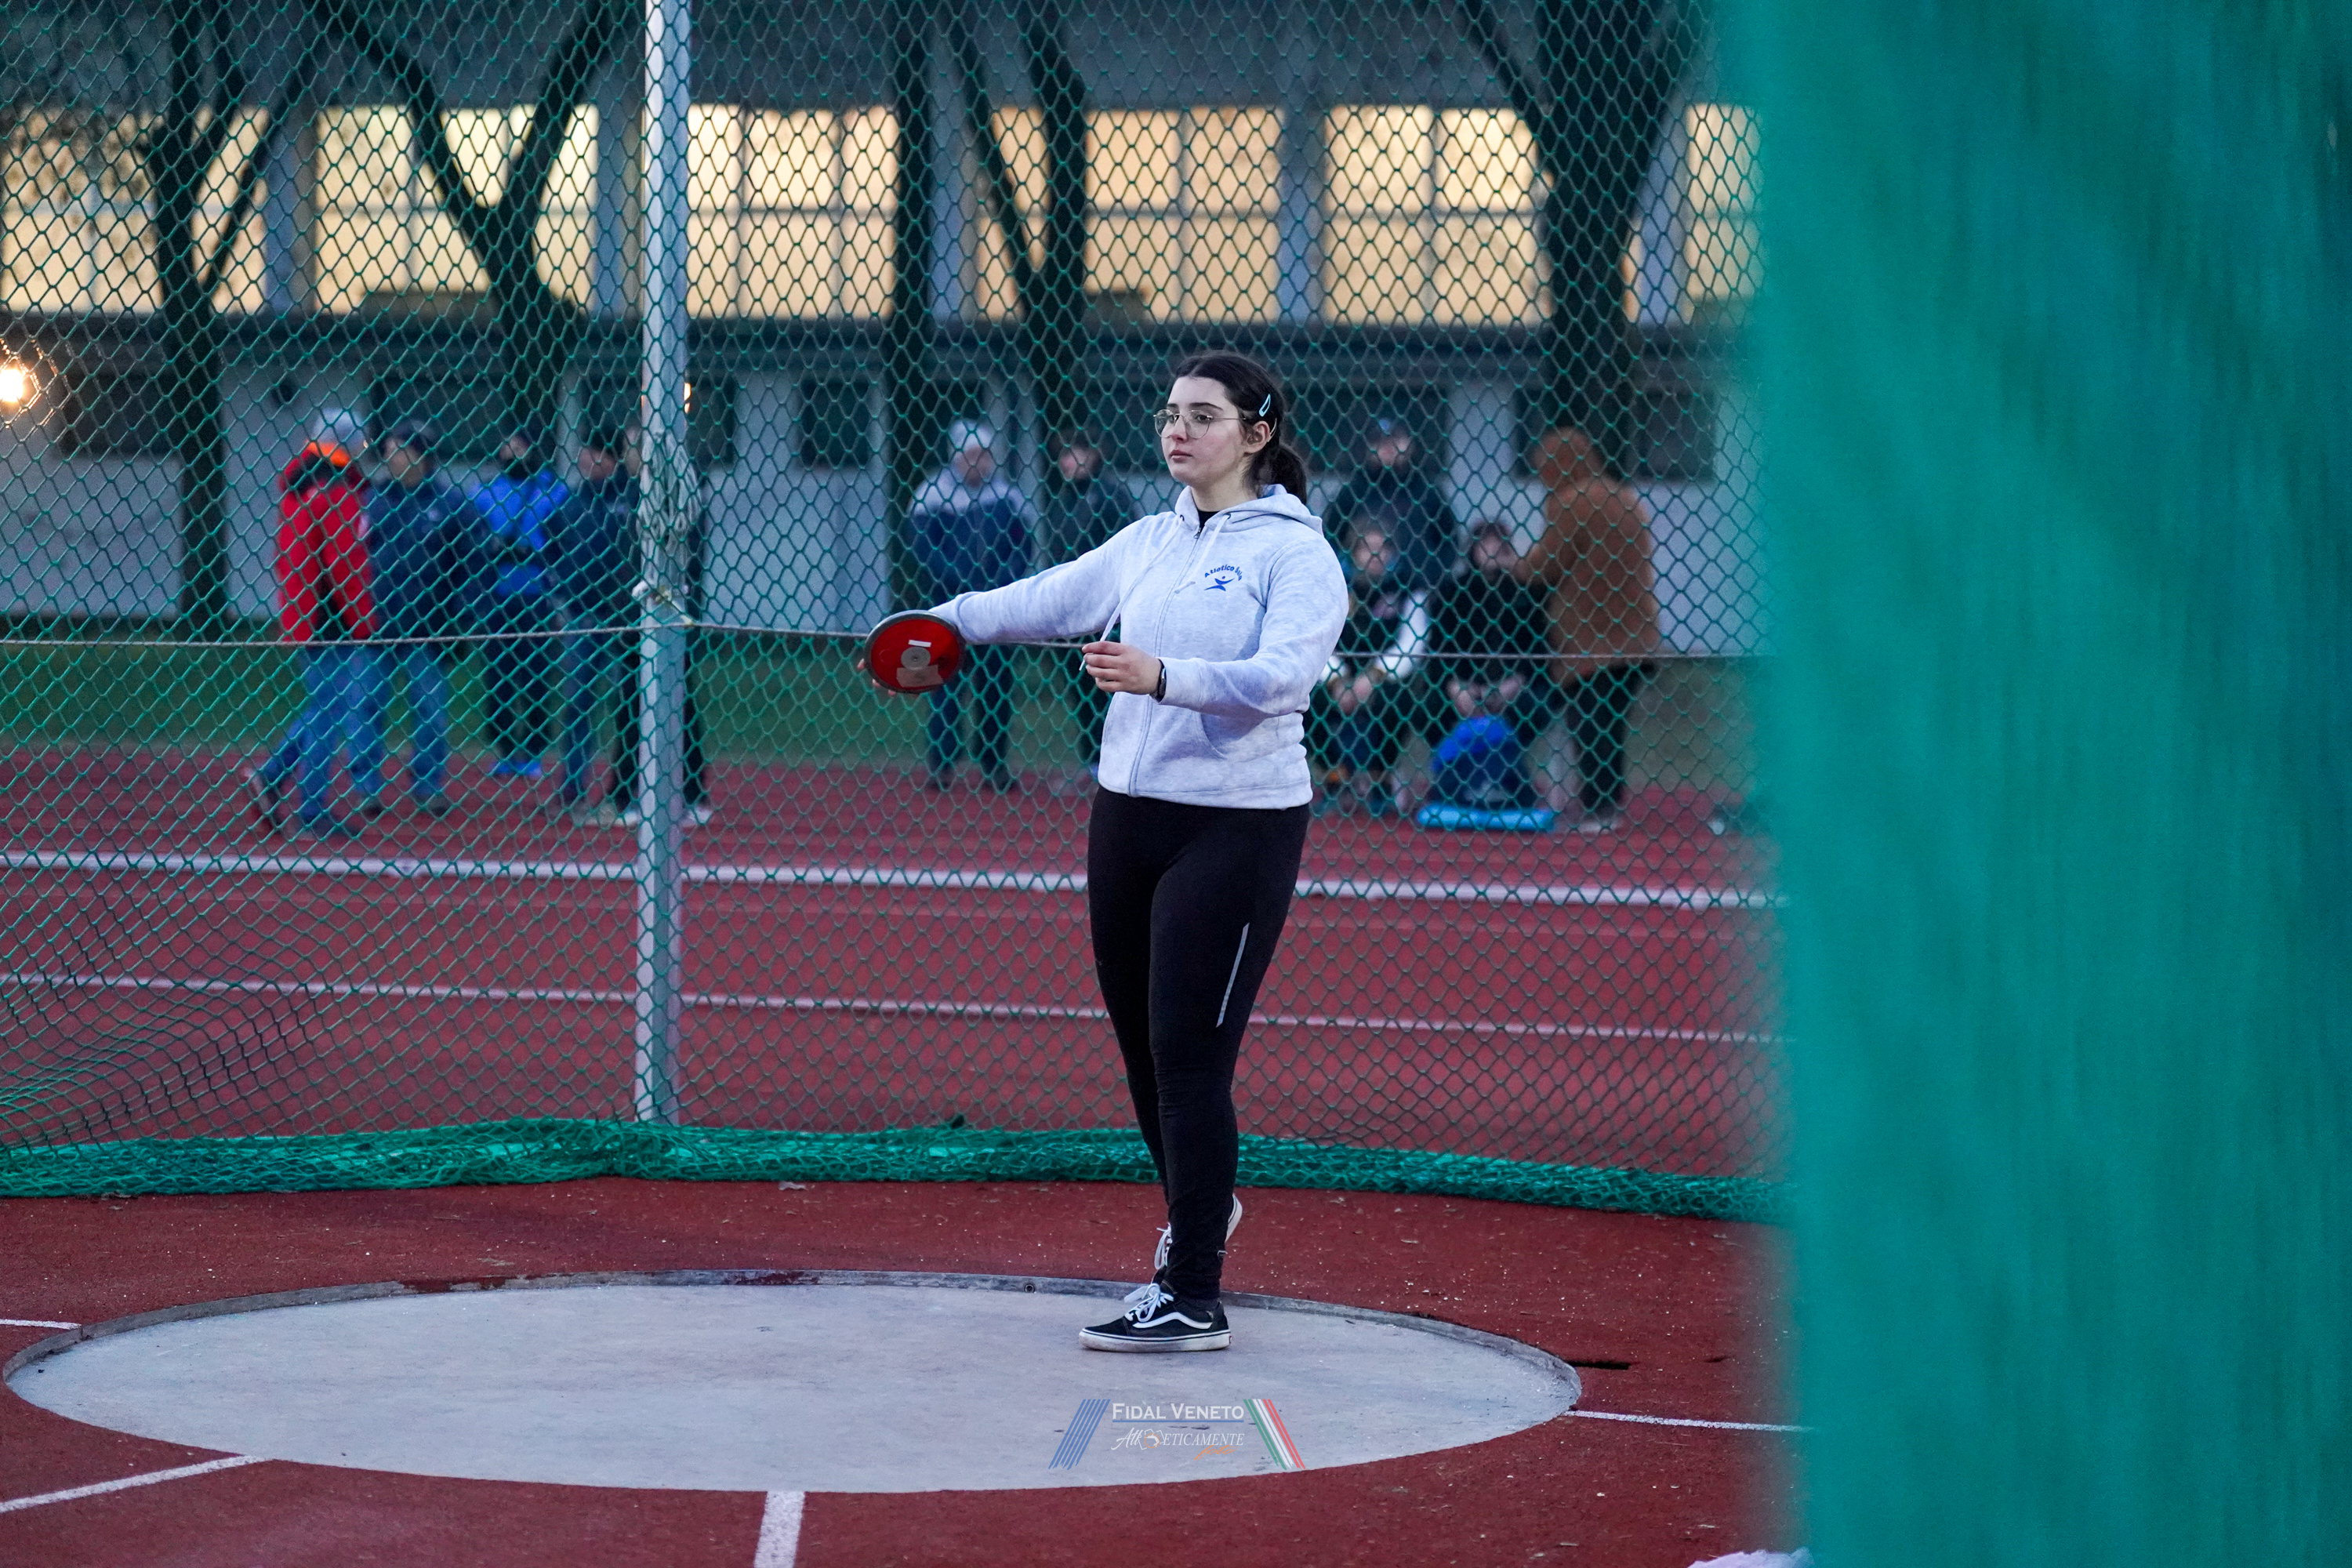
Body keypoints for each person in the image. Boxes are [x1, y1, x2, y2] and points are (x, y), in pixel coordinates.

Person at [903, 350, 1345, 1352]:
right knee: (1146, 1047)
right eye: (1170, 414)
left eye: (1204, 415)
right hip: (1128, 816)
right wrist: (943, 621)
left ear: (1258, 433)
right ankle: (1203, 1201)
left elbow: (1284, 678)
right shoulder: (1151, 538)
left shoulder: (1298, 554)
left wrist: (1163, 676)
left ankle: (1193, 1291)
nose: (1179, 430)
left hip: (1237, 822)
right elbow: (1046, 597)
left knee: (1190, 1056)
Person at [552, 430, 711, 826]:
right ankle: (632, 793)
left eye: (637, 448)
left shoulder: (674, 493)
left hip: (667, 611)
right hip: (630, 615)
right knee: (633, 703)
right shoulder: (626, 494)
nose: (629, 455)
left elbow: (686, 553)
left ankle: (675, 793)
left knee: (670, 701)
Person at [1514, 426, 1662, 829]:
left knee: (1590, 723)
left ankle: (1599, 808)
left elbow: (1547, 564)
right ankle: (1608, 805)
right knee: (1612, 722)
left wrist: (1517, 566)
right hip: (1636, 633)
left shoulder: (1571, 502)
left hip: (1591, 637)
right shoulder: (1625, 499)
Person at [245, 409, 379, 840]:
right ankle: (310, 807)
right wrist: (364, 621)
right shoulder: (336, 490)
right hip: (330, 615)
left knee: (324, 703)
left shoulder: (301, 484)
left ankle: (272, 776)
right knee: (329, 710)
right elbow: (345, 566)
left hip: (307, 611)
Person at [355, 418, 481, 818]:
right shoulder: (373, 499)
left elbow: (473, 563)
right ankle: (366, 787)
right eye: (389, 449)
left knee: (430, 710)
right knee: (367, 705)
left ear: (421, 456)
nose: (390, 456)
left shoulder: (450, 505)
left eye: (399, 450)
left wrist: (462, 616)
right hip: (376, 625)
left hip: (429, 626)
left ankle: (428, 784)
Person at [909, 419, 1029, 790]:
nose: (979, 463)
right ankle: (942, 764)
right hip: (947, 603)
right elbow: (923, 548)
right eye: (972, 455)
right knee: (943, 682)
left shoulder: (1007, 496)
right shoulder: (932, 493)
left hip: (995, 605)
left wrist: (1001, 581)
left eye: (985, 455)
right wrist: (957, 578)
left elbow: (1022, 547)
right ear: (956, 457)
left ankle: (993, 764)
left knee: (995, 686)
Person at [1425, 520, 1561, 805]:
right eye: (1485, 544)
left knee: (1534, 707)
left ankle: (1505, 775)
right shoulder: (1452, 593)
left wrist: (1514, 683)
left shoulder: (1525, 594)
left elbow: (1538, 650)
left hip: (1513, 688)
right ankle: (1456, 776)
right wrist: (1455, 686)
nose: (1491, 551)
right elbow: (1436, 650)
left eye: (1498, 545)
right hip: (1462, 687)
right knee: (1428, 706)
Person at [1307, 521, 1435, 818]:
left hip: (1385, 680)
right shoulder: (1332, 585)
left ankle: (1381, 778)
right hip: (1336, 677)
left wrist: (1375, 675)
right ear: (1354, 552)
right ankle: (1335, 777)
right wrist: (1337, 679)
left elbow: (1413, 642)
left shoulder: (1409, 587)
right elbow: (1316, 636)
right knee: (1303, 700)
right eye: (1367, 548)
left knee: (1400, 700)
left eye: (1383, 548)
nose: (1376, 556)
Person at [1037, 429, 1138, 781]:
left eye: (1075, 453)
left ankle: (1114, 764)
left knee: (1107, 690)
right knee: (1079, 690)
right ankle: (1093, 761)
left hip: (1106, 612)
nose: (1067, 461)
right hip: (1070, 610)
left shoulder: (1109, 496)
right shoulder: (1063, 498)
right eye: (1063, 454)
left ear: (1094, 455)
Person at [472, 423, 568, 779]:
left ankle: (534, 749)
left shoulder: (552, 491)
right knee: (498, 677)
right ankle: (505, 748)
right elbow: (473, 539)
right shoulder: (485, 492)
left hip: (537, 596)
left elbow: (561, 542)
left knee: (537, 676)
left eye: (518, 446)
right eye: (506, 446)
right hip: (498, 596)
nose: (511, 452)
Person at [1322, 412, 1460, 592]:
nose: (1388, 446)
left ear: (1410, 444)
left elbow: (1449, 538)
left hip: (1417, 591)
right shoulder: (1354, 491)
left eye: (1396, 439)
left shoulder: (1427, 490)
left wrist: (1433, 578)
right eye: (1379, 441)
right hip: (1361, 591)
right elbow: (1331, 537)